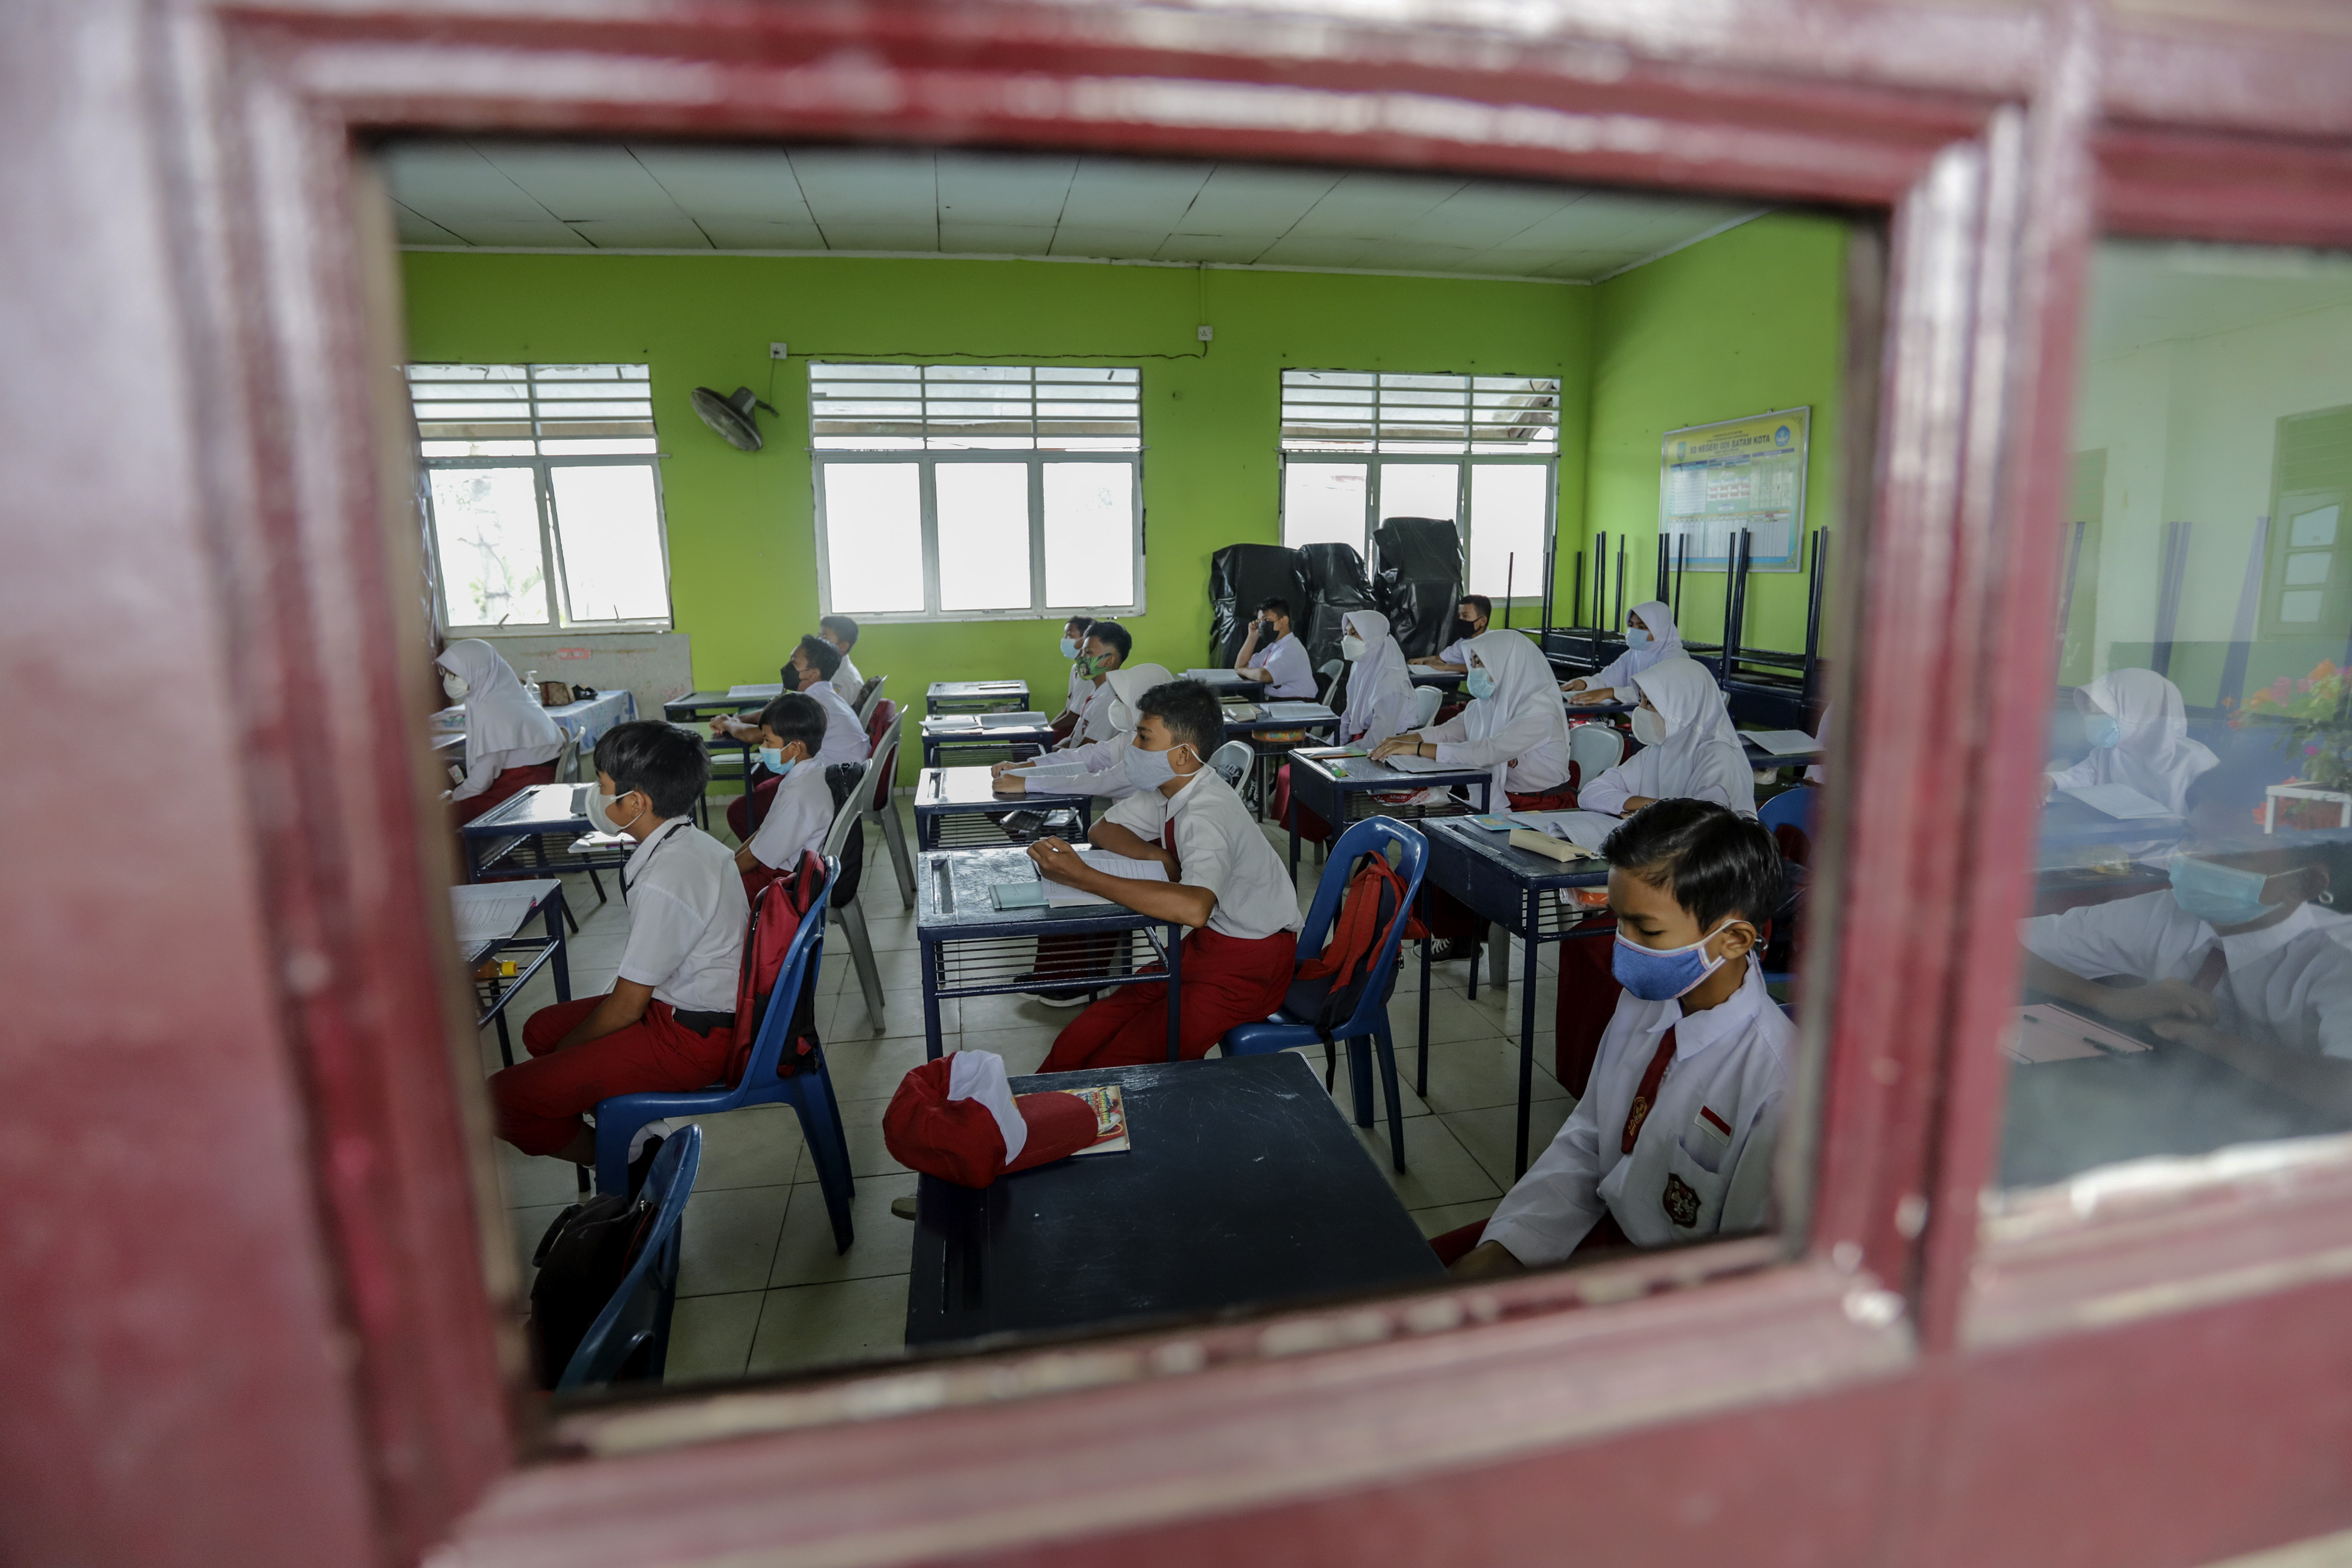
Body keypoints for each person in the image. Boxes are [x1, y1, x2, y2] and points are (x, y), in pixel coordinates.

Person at [1441, 800, 1792, 1275]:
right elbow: (1589, 1138)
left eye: (1646, 929)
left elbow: (1742, 1274)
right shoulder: (1647, 999)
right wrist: (1510, 1245)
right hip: (1597, 1223)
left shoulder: (1777, 1090)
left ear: (1735, 939)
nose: (1622, 943)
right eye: (1618, 919)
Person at [489, 722, 750, 1165]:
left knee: (500, 1100)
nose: (596, 794)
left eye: (602, 786)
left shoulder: (667, 878)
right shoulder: (691, 842)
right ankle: (631, 1129)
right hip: (688, 1010)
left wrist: (572, 1053)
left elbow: (628, 1005)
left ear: (636, 802)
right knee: (541, 1029)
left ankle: (628, 1163)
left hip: (691, 1041)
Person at [1032, 679, 1303, 1069]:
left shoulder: (1207, 813)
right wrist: (1163, 860)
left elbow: (1194, 909)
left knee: (1125, 1059)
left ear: (1183, 754)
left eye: (1144, 737)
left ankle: (1081, 1106)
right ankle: (1036, 1103)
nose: (1133, 747)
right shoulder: (1169, 787)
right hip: (1205, 947)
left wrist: (1083, 876)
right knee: (1089, 1030)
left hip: (1250, 965)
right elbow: (1103, 830)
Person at [1369, 628, 1576, 810]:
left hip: (1543, 806)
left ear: (1507, 665)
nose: (1474, 670)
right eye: (1473, 663)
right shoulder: (1484, 705)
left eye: (1481, 663)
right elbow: (1445, 733)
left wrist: (1416, 748)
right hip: (1501, 796)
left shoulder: (1540, 713)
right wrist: (1399, 740)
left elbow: (1488, 752)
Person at [1279, 610, 1416, 846]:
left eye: (1355, 633)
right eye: (1346, 633)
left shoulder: (1391, 683)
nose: (1347, 639)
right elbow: (1348, 718)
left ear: (1373, 637)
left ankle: (1333, 834)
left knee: (1310, 777)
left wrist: (1337, 753)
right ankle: (1328, 832)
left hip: (1384, 755)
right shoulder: (1360, 668)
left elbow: (1378, 740)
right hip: (1361, 746)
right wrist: (1328, 747)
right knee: (1298, 770)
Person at [720, 635, 867, 841]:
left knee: (740, 812)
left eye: (794, 662)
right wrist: (736, 719)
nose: (787, 667)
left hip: (833, 783)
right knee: (762, 773)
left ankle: (773, 852)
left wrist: (728, 724)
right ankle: (780, 836)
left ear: (813, 673)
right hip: (840, 774)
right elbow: (770, 714)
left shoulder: (815, 703)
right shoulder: (823, 695)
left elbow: (756, 735)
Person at [1577, 657, 1757, 820]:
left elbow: (1701, 825)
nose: (1640, 710)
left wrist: (1651, 810)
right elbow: (1590, 793)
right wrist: (1653, 807)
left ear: (1682, 706)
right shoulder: (1660, 748)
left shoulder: (1719, 757)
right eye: (1641, 700)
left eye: (1650, 703)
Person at [2040, 667, 2217, 817]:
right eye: (2090, 711)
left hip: (2174, 844)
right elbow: (2081, 776)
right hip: (2115, 841)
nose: (2091, 719)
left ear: (2138, 712)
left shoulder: (2195, 761)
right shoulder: (2109, 751)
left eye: (2102, 711)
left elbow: (2213, 821)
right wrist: (2048, 780)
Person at [994, 662, 1175, 803]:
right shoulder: (1130, 736)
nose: (1117, 706)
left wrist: (1027, 783)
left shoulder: (1158, 749)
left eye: (1123, 702)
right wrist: (1024, 767)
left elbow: (1103, 782)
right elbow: (1088, 756)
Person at [435, 638, 567, 826]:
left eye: (455, 675)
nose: (448, 681)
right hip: (538, 779)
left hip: (526, 790)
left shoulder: (491, 711)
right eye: (446, 673)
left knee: (441, 818)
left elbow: (480, 783)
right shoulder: (509, 695)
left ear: (478, 673)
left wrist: (453, 798)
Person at [733, 691, 833, 896]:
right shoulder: (809, 772)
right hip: (780, 868)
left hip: (782, 882)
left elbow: (756, 858)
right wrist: (730, 862)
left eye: (768, 742)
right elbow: (763, 832)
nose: (763, 748)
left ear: (794, 748)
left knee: (711, 892)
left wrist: (722, 874)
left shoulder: (798, 796)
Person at [1565, 600, 1684, 704]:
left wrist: (1610, 693)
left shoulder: (1675, 659)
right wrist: (1584, 683)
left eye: (1642, 627)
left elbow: (1654, 692)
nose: (1634, 631)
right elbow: (1606, 680)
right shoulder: (1635, 653)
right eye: (1631, 625)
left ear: (1661, 630)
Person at [1063, 621, 1131, 748]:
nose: (1082, 658)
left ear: (1109, 661)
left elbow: (1086, 752)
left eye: (1088, 653)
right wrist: (1057, 749)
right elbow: (1073, 739)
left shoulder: (1108, 701)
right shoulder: (1098, 692)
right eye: (1083, 652)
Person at [1234, 597, 1316, 699]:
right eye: (1259, 621)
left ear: (1284, 621)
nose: (1262, 625)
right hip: (1277, 702)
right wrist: (1252, 637)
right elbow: (1239, 666)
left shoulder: (1292, 649)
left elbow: (1264, 675)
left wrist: (1242, 671)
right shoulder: (1273, 648)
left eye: (1266, 620)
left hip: (1296, 704)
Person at [1411, 594, 1491, 671]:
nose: (1460, 620)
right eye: (1459, 616)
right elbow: (1440, 658)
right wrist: (1421, 661)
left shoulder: (1493, 642)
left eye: (1465, 616)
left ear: (1482, 621)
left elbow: (1482, 667)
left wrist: (1446, 667)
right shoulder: (1464, 642)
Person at [1048, 615, 1096, 743]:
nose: (1064, 640)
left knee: (1027, 742)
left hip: (1079, 729)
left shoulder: (1088, 673)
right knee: (1022, 738)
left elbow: (1073, 717)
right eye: (1065, 635)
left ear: (1084, 640)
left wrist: (1047, 730)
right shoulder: (1076, 668)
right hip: (1071, 726)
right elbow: (1068, 710)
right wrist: (1049, 727)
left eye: (1069, 636)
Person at [817, 614, 865, 706]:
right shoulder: (831, 668)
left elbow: (830, 711)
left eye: (825, 638)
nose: (818, 642)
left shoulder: (843, 681)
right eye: (819, 636)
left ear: (843, 646)